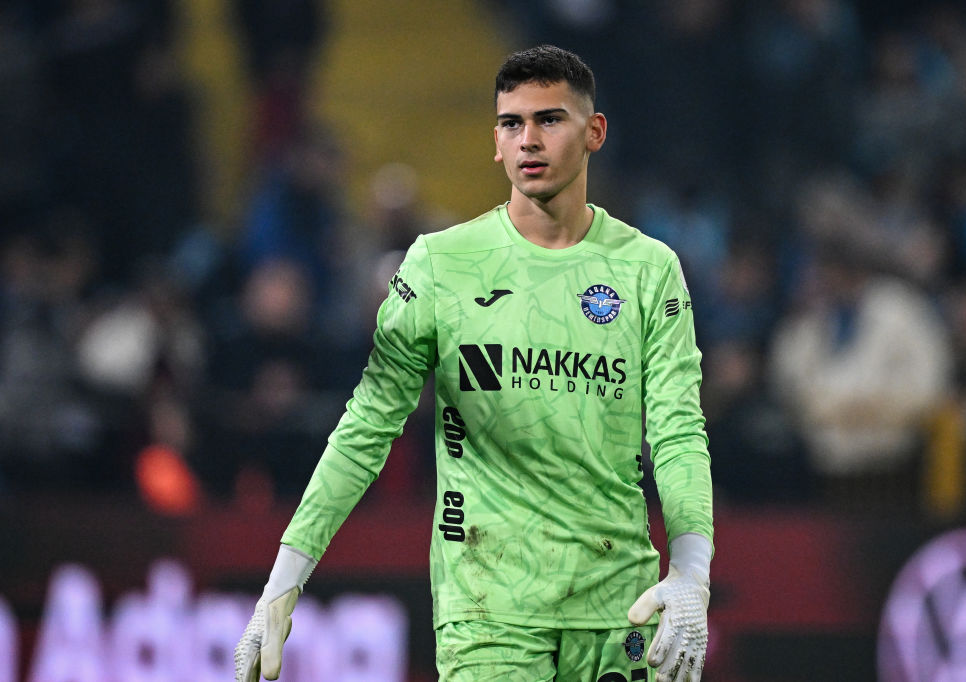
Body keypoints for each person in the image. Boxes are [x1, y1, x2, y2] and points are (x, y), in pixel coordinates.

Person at [233, 44, 714, 682]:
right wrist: (282, 582)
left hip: (619, 609)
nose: (529, 140)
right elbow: (366, 428)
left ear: (594, 132)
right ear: (495, 141)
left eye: (550, 120)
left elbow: (679, 431)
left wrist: (692, 575)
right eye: (512, 123)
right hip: (487, 615)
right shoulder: (440, 265)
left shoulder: (648, 270)